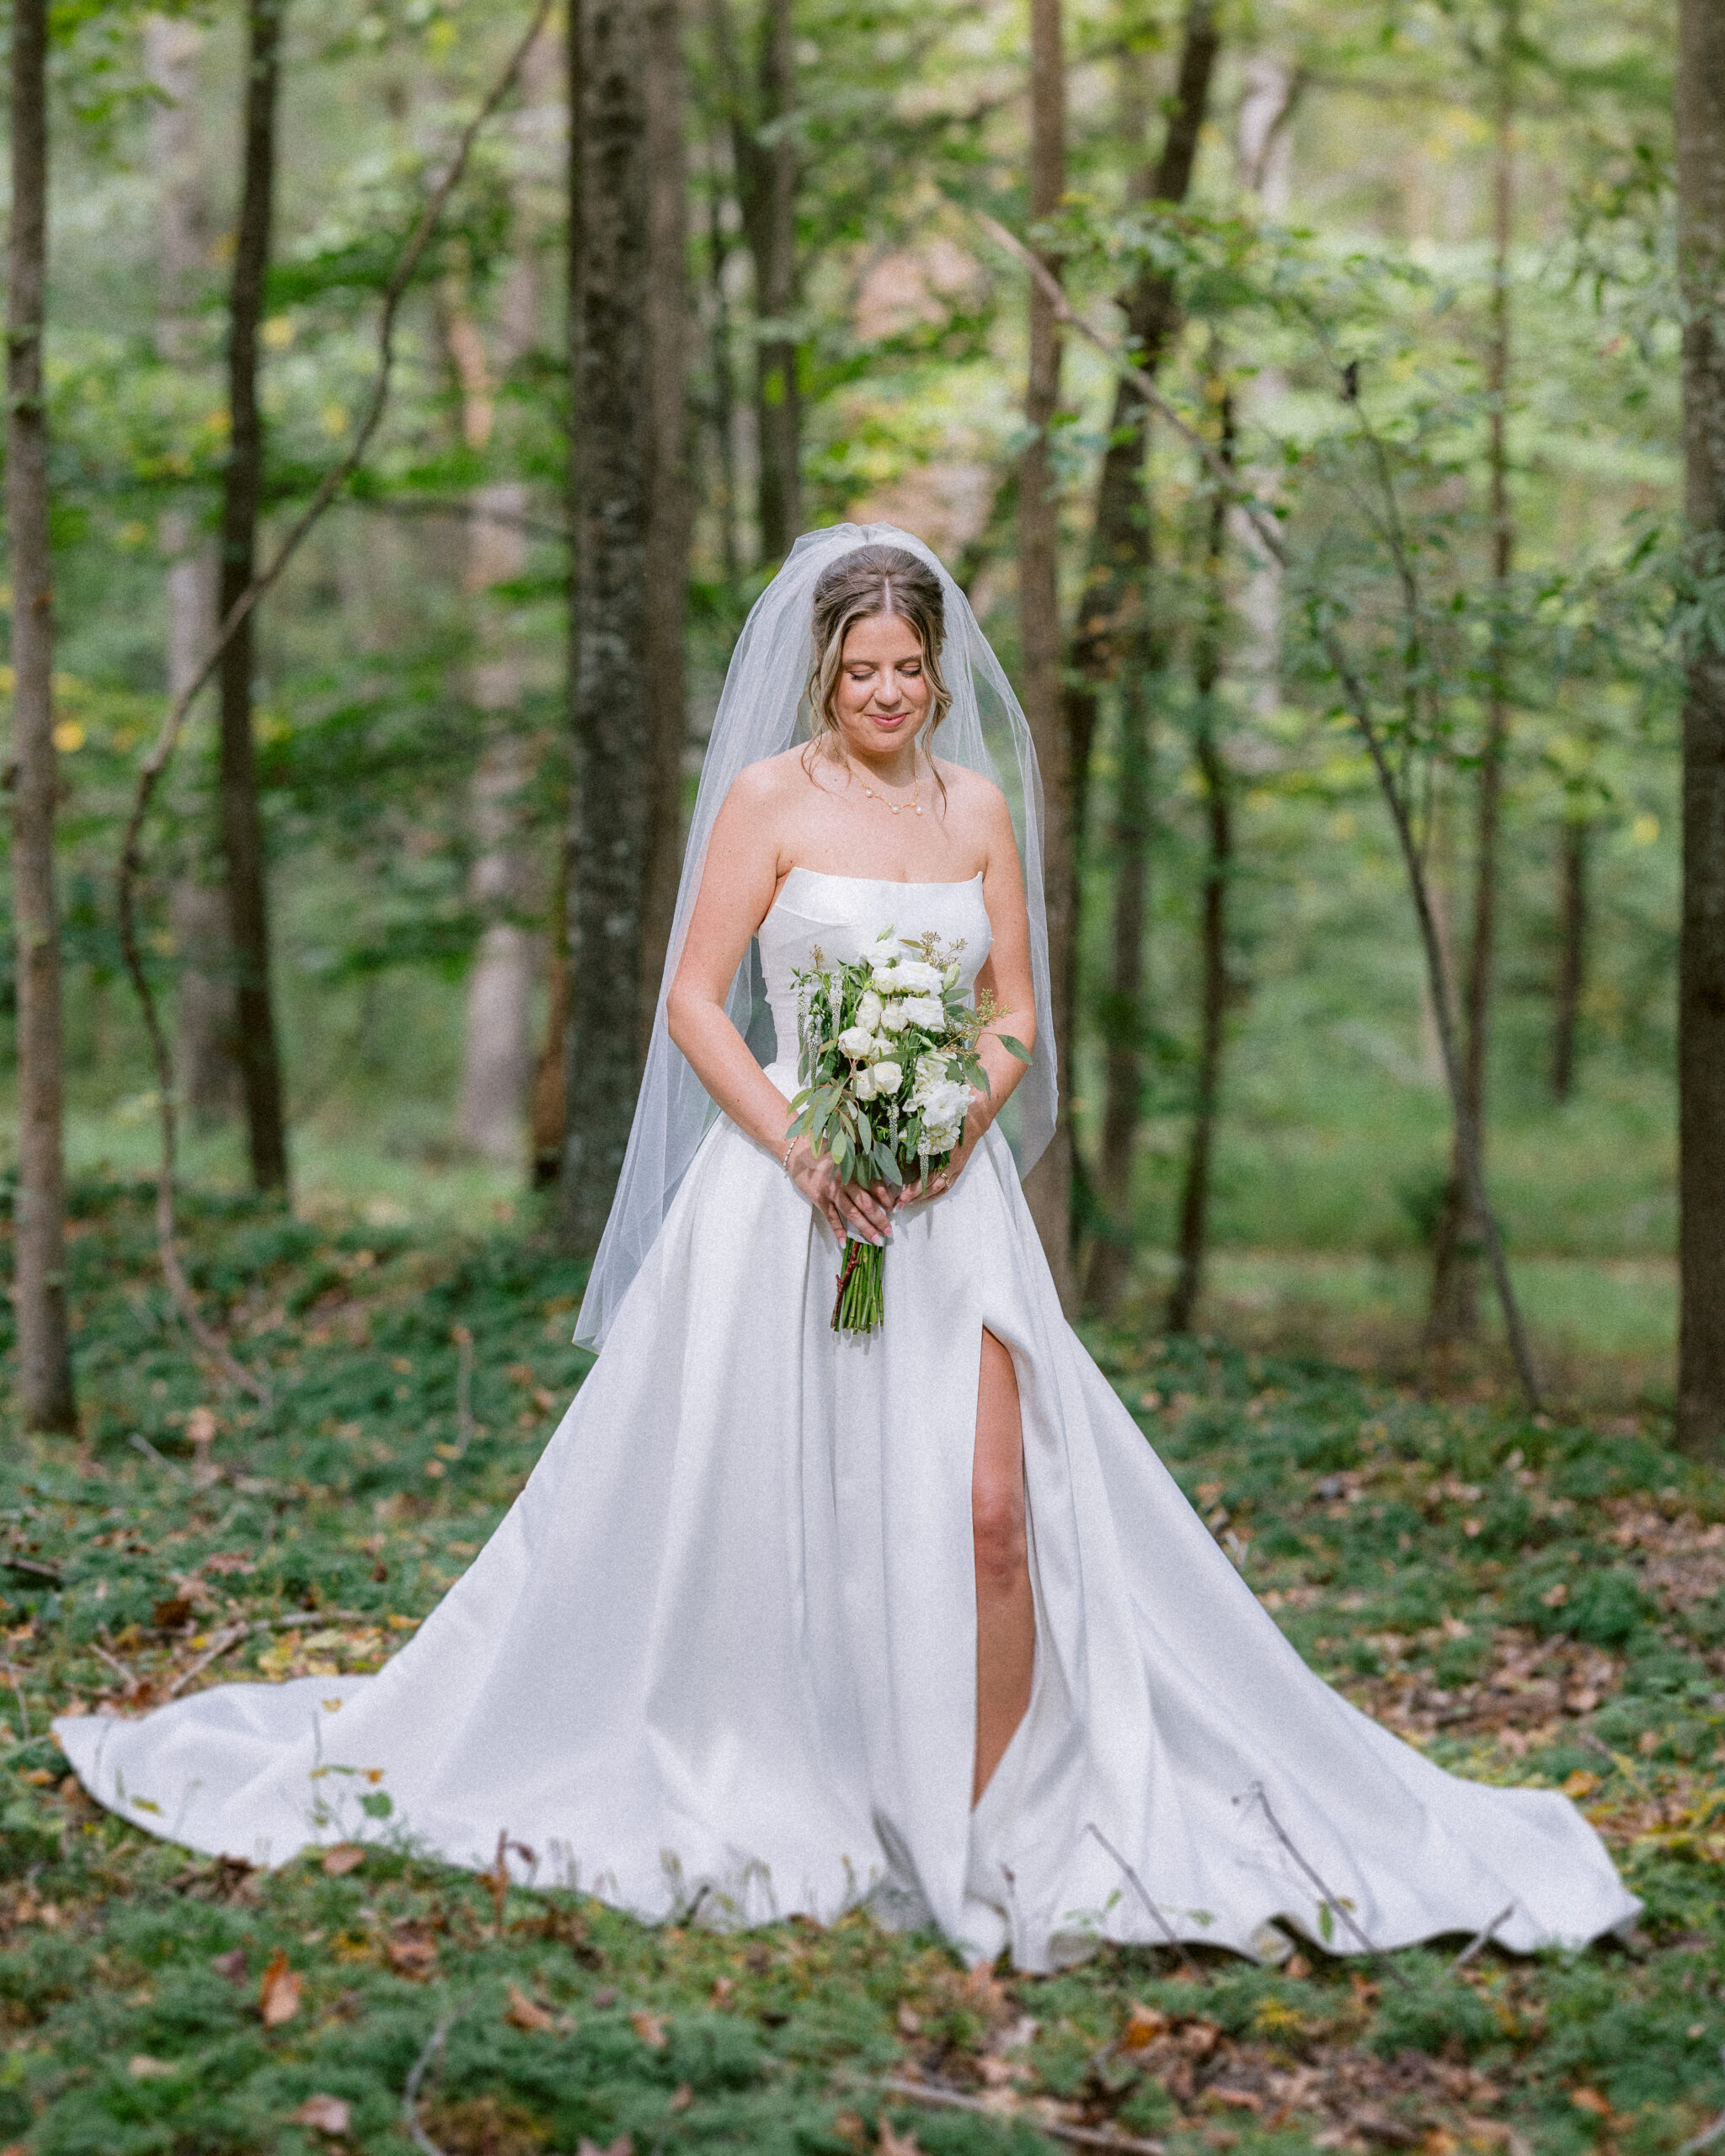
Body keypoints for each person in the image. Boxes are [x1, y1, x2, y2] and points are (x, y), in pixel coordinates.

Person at [56, 525, 1637, 1972]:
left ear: (941, 674)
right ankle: (820, 1785)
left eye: (909, 670)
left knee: (994, 1513)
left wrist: (963, 1109)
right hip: (783, 1197)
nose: (887, 692)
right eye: (861, 670)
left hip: (951, 1211)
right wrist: (807, 1139)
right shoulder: (769, 803)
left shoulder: (976, 808)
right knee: (774, 1518)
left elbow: (1017, 1007)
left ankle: (987, 1827)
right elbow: (692, 998)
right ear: (824, 671)